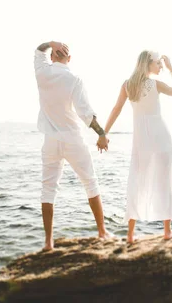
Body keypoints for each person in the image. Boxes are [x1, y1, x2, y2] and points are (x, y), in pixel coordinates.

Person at [34, 41, 111, 250]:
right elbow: (85, 113)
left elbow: (39, 51)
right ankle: (102, 232)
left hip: (50, 141)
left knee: (48, 189)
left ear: (52, 57)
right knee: (90, 183)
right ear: (69, 59)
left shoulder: (42, 73)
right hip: (73, 140)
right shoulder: (74, 80)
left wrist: (50, 43)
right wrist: (102, 133)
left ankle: (49, 242)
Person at [103, 51, 172, 243]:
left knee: (137, 181)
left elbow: (116, 109)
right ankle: (167, 231)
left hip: (142, 138)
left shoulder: (127, 84)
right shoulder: (156, 85)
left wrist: (104, 132)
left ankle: (130, 235)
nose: (161, 66)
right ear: (148, 64)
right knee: (165, 180)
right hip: (160, 136)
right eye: (159, 63)